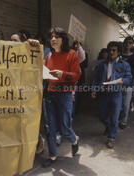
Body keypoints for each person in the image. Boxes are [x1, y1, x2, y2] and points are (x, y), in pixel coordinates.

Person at [43, 27, 80, 167]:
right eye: (51, 37)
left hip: (65, 94)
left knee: (64, 127)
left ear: (63, 39)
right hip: (50, 94)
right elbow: (45, 72)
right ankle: (52, 156)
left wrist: (62, 74)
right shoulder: (49, 56)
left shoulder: (72, 54)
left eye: (56, 37)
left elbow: (76, 76)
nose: (53, 39)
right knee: (50, 128)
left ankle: (74, 139)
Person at [92, 41, 132, 148]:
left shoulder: (124, 65)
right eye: (110, 50)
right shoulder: (102, 64)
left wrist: (123, 81)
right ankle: (109, 127)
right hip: (103, 93)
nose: (111, 52)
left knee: (114, 117)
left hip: (116, 94)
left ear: (119, 52)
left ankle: (111, 138)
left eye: (114, 50)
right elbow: (96, 78)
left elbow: (129, 78)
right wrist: (94, 90)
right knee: (102, 115)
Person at [119, 36, 134, 129]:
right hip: (118, 82)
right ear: (124, 43)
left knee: (126, 104)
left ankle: (123, 121)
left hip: (128, 84)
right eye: (126, 42)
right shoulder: (119, 55)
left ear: (132, 45)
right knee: (117, 103)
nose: (128, 44)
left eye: (130, 43)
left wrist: (130, 80)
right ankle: (116, 119)